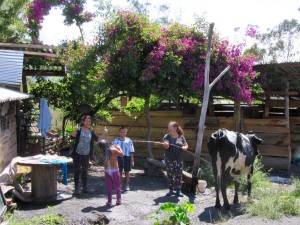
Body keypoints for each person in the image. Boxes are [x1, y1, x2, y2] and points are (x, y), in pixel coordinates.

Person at [71, 115, 107, 195]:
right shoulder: (79, 130)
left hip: (86, 154)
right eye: (86, 121)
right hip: (77, 153)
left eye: (89, 121)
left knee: (84, 170)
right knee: (77, 170)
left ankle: (84, 188)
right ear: (83, 122)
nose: (88, 123)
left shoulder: (91, 132)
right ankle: (76, 188)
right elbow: (72, 136)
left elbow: (97, 140)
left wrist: (104, 133)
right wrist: (75, 130)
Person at [162, 121, 188, 197]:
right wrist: (166, 144)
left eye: (170, 127)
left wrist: (184, 147)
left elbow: (186, 145)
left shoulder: (181, 137)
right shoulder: (167, 136)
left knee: (178, 175)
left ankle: (178, 191)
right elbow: (166, 146)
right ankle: (171, 190)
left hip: (179, 160)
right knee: (170, 175)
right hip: (169, 159)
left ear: (175, 128)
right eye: (168, 127)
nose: (169, 129)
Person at [99, 140, 124, 206]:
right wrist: (118, 147)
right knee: (118, 186)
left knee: (109, 186)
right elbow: (122, 154)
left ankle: (109, 201)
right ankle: (118, 200)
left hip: (107, 172)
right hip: (115, 171)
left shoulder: (102, 153)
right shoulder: (113, 149)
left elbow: (107, 152)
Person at [113, 126, 135, 191]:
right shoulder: (116, 140)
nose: (123, 133)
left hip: (127, 157)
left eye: (124, 132)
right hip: (118, 157)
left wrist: (132, 161)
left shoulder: (129, 141)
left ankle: (127, 185)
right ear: (119, 132)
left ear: (126, 132)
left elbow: (131, 151)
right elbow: (113, 150)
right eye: (121, 132)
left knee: (127, 171)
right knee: (119, 171)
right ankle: (119, 185)